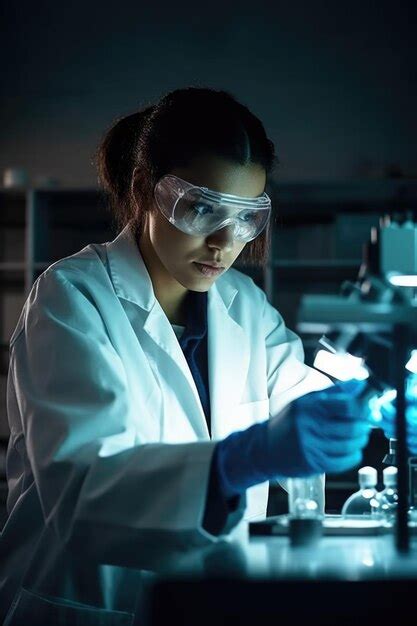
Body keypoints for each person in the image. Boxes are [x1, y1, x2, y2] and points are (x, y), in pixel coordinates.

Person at [0, 87, 371, 625]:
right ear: (146, 190)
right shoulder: (71, 297)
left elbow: (303, 401)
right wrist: (235, 461)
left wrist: (371, 412)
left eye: (245, 217)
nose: (224, 241)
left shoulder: (245, 307)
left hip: (211, 601)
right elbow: (80, 494)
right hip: (87, 605)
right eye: (200, 207)